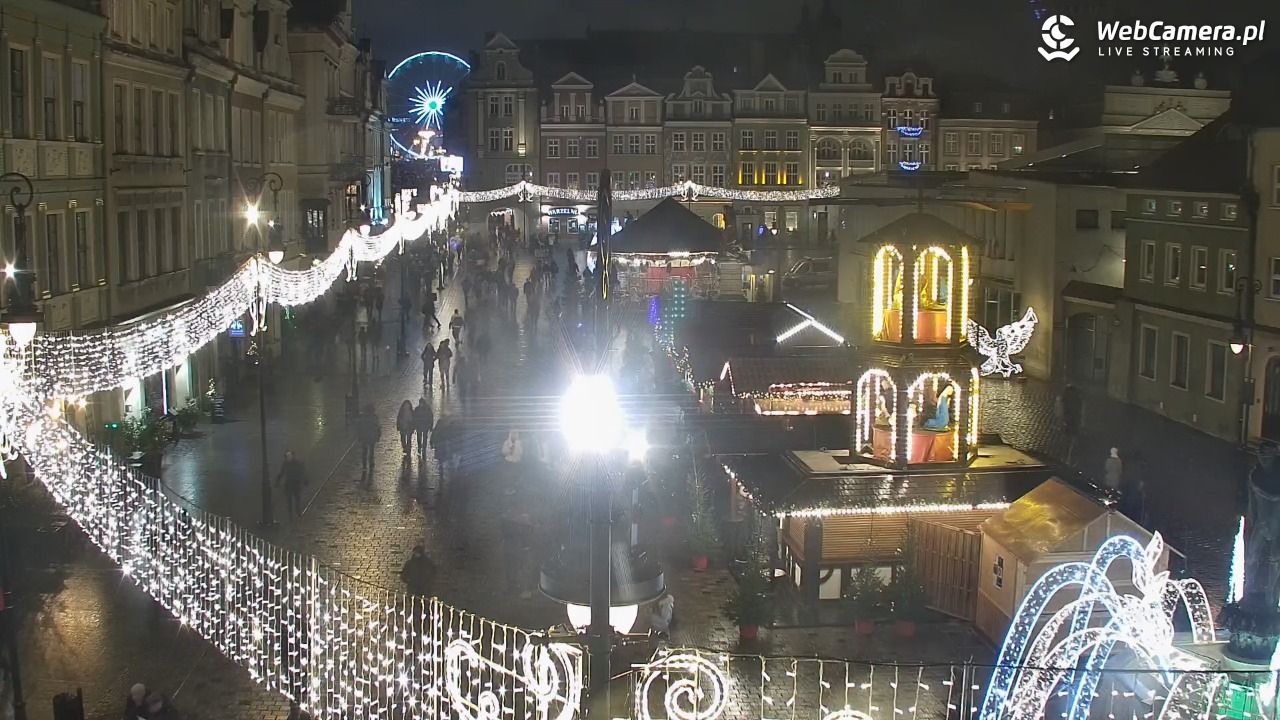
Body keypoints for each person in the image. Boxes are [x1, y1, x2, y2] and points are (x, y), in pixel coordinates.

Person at [274, 450, 308, 519]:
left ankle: (298, 512)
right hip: (288, 484)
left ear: (292, 456)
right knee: (289, 500)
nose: (288, 458)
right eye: (287, 456)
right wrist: (277, 482)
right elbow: (281, 473)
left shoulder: (298, 463)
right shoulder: (285, 464)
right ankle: (290, 515)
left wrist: (305, 480)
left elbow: (302, 472)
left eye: (289, 456)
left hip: (296, 484)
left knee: (297, 499)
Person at [355, 404, 381, 473]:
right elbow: (378, 428)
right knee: (371, 451)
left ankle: (365, 466)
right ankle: (371, 464)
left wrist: (359, 436)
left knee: (364, 452)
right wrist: (378, 436)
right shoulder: (375, 417)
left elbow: (358, 428)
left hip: (365, 437)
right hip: (371, 437)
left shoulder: (362, 417)